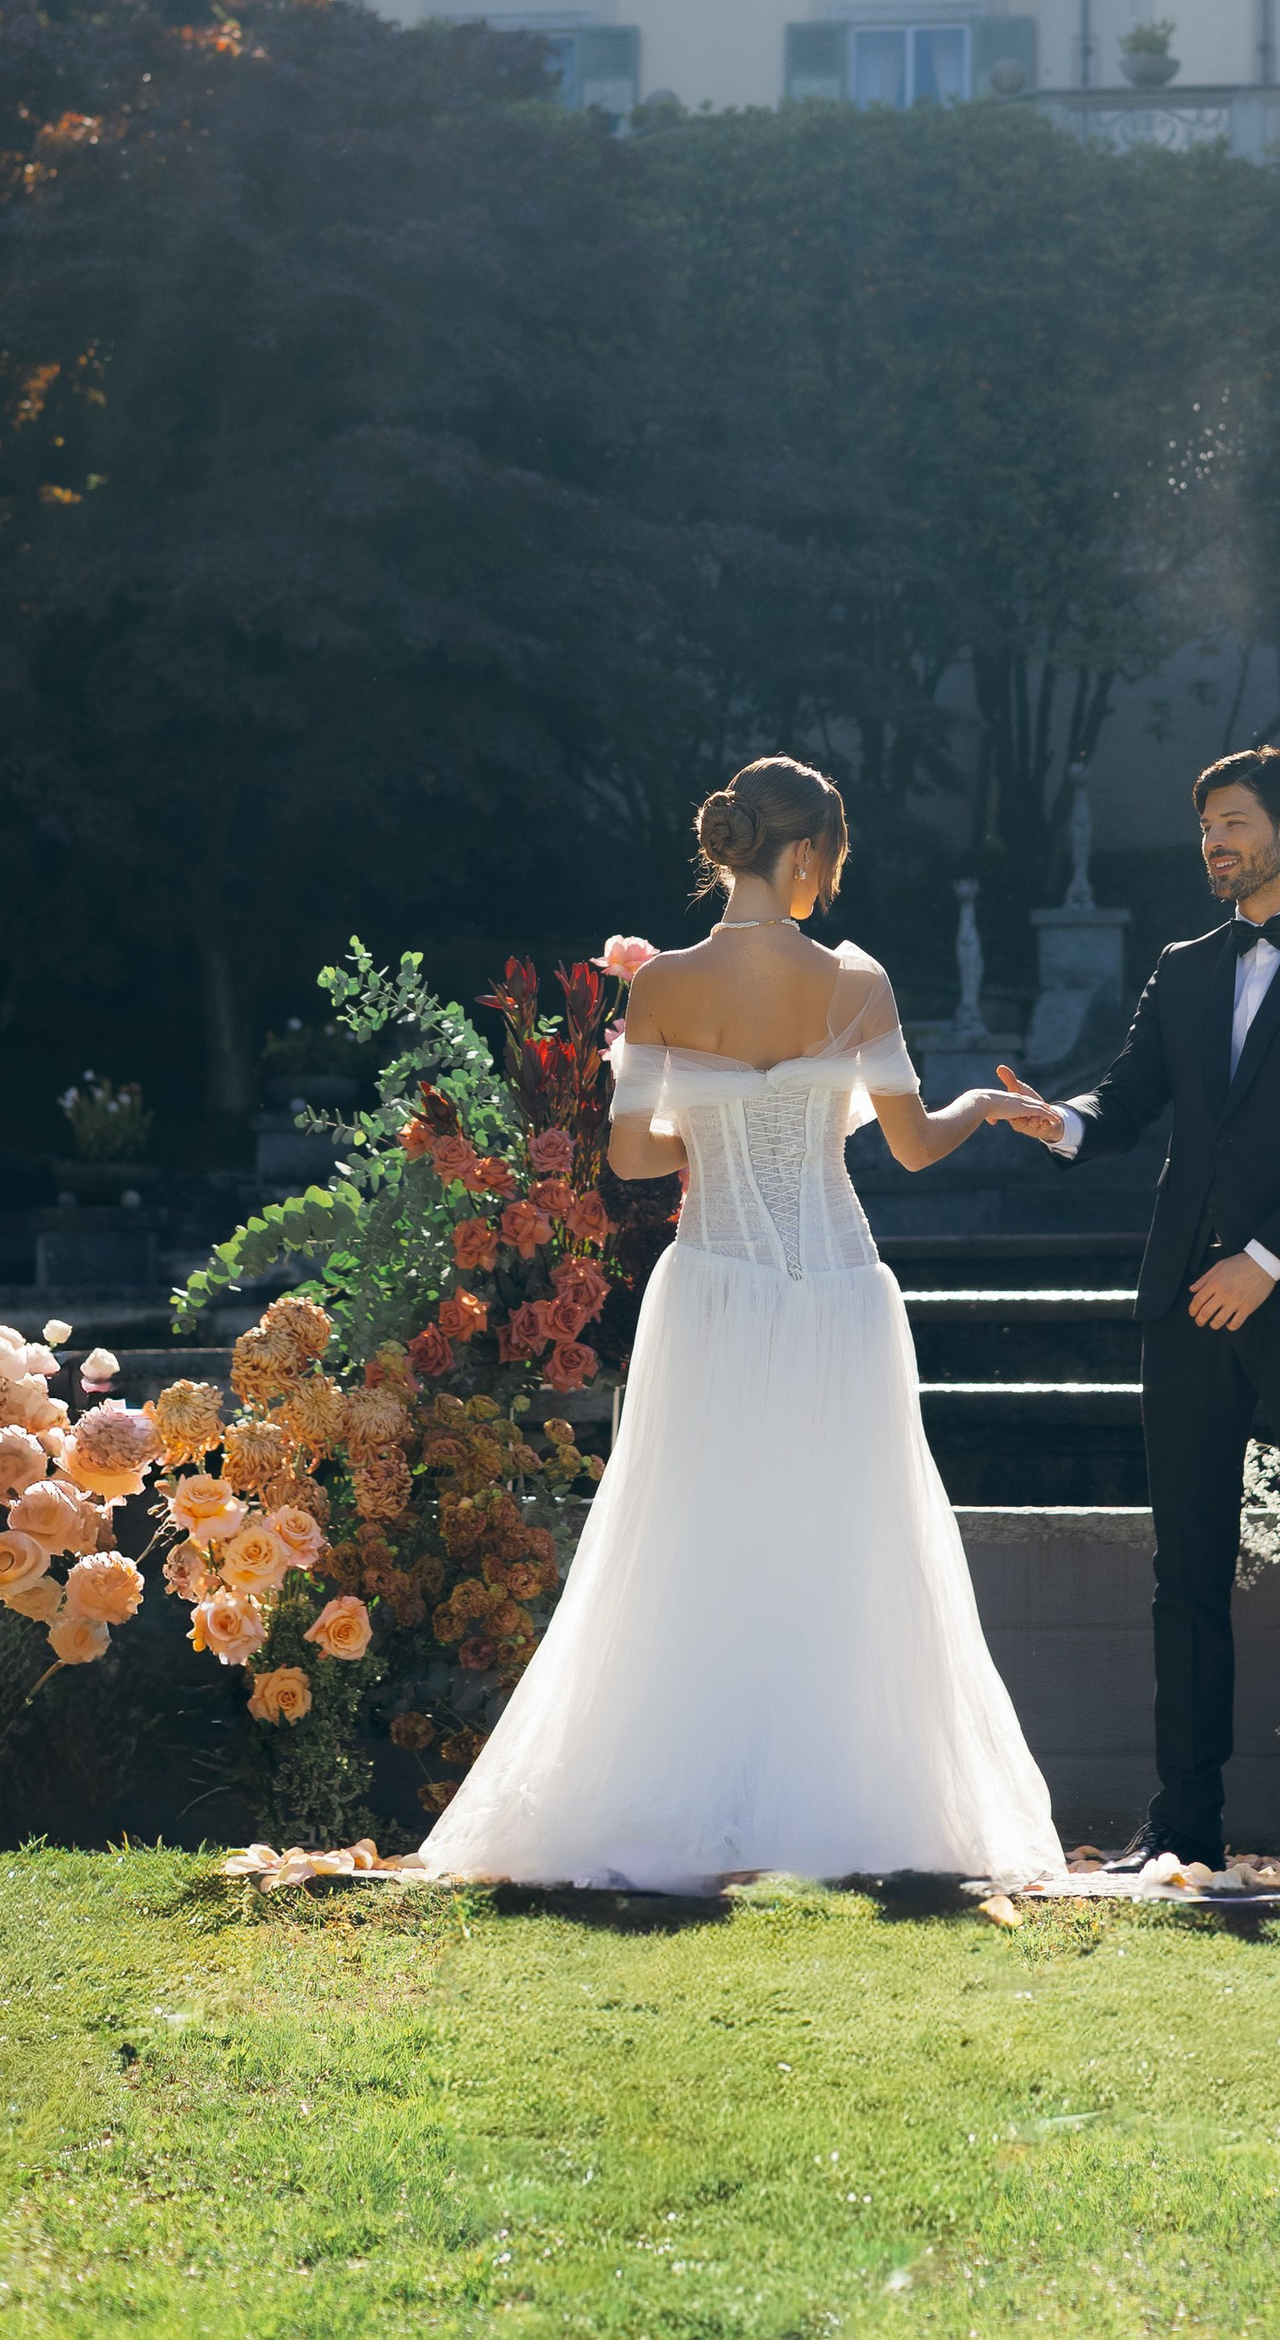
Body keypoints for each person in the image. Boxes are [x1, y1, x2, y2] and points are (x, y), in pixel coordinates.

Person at [417, 753, 1061, 1892]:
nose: (831, 885)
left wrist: (713, 1138)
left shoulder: (659, 983)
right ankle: (845, 1808)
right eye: (833, 862)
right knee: (847, 1538)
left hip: (709, 1281)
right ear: (805, 851)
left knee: (691, 1534)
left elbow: (627, 1155)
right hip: (834, 1286)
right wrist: (982, 1106)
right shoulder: (854, 983)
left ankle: (676, 1797)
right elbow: (912, 1146)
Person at [996, 747, 1280, 1879]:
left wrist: (1265, 1262)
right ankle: (1180, 1824)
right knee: (1183, 1571)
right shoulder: (1184, 966)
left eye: (1232, 823)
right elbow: (1127, 1101)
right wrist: (1059, 1123)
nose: (1212, 845)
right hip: (1184, 1301)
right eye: (1203, 829)